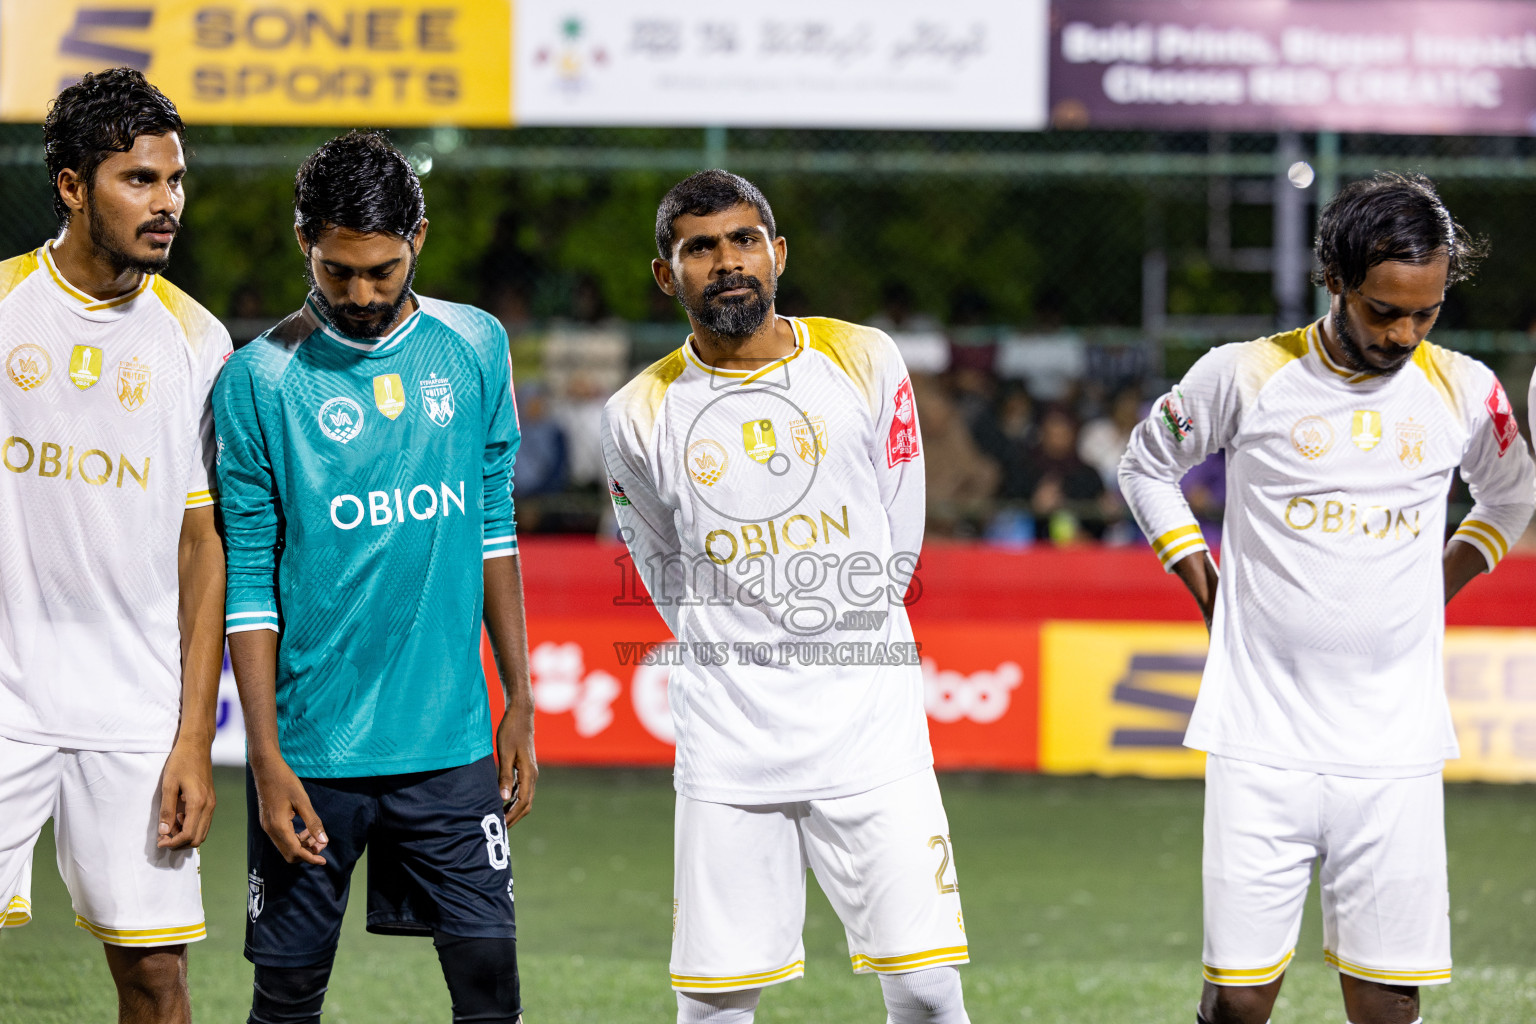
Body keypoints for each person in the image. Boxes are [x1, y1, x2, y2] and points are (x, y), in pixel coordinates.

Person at [1120, 172, 1536, 1024]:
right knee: (1240, 1003)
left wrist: (1439, 584)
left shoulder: (1464, 387)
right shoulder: (1243, 373)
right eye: (1385, 310)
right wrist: (1205, 585)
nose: (1405, 332)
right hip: (1259, 739)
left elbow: (1510, 495)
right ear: (1336, 281)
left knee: (1386, 1004)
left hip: (1396, 749)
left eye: (1426, 312)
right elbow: (1146, 466)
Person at [602, 170, 970, 1024]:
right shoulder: (636, 412)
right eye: (701, 248)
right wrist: (737, 649)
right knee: (716, 1004)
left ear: (777, 254)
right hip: (731, 740)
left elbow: (899, 522)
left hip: (869, 727)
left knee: (923, 988)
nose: (726, 263)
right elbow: (659, 566)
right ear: (668, 274)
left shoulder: (863, 355)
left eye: (743, 241)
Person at [213, 131, 536, 1024]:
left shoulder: (474, 345)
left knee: (491, 997)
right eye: (336, 269)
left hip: (453, 748)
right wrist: (266, 758)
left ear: (418, 239)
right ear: (303, 243)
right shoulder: (258, 380)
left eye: (381, 270)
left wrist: (521, 697)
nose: (359, 293)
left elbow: (494, 532)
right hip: (313, 755)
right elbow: (248, 584)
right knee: (284, 1000)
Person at [0, 68, 228, 1022]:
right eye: (139, 179)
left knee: (155, 978)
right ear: (70, 183)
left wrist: (192, 737)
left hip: (135, 713)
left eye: (174, 181)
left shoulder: (197, 341)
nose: (166, 202)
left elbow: (201, 548)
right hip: (4, 696)